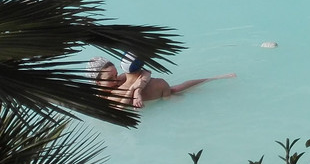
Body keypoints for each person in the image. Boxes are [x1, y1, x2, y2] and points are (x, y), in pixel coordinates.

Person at [88, 55, 235, 108]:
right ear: (98, 83)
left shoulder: (119, 80)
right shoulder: (102, 98)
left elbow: (145, 72)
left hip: (159, 93)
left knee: (175, 89)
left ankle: (215, 78)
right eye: (110, 79)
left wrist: (138, 89)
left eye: (115, 74)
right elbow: (119, 108)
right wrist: (132, 89)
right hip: (159, 94)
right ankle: (214, 80)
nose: (116, 79)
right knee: (175, 90)